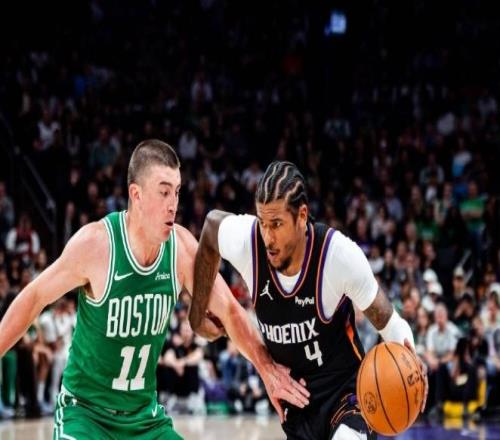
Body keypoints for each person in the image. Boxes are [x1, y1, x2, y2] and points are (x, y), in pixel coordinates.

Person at [0, 142, 309, 439]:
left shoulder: (181, 249)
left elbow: (229, 310)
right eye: (163, 192)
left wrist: (268, 370)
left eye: (177, 191)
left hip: (144, 420)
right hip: (86, 415)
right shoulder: (96, 245)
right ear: (136, 194)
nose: (173, 204)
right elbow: (34, 297)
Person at [189, 161, 428, 440]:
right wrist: (197, 314)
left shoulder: (337, 256)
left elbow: (389, 322)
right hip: (297, 405)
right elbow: (211, 227)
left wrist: (410, 362)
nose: (268, 237)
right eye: (262, 222)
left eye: (276, 224)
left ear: (302, 215)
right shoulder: (248, 243)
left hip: (347, 394)